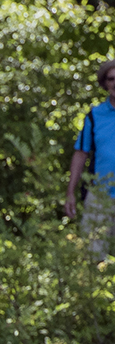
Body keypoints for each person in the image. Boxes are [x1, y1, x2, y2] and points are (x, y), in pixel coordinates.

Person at [66, 60, 115, 257]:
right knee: (93, 257)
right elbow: (81, 153)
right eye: (111, 79)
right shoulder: (95, 115)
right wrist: (70, 192)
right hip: (99, 196)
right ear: (105, 83)